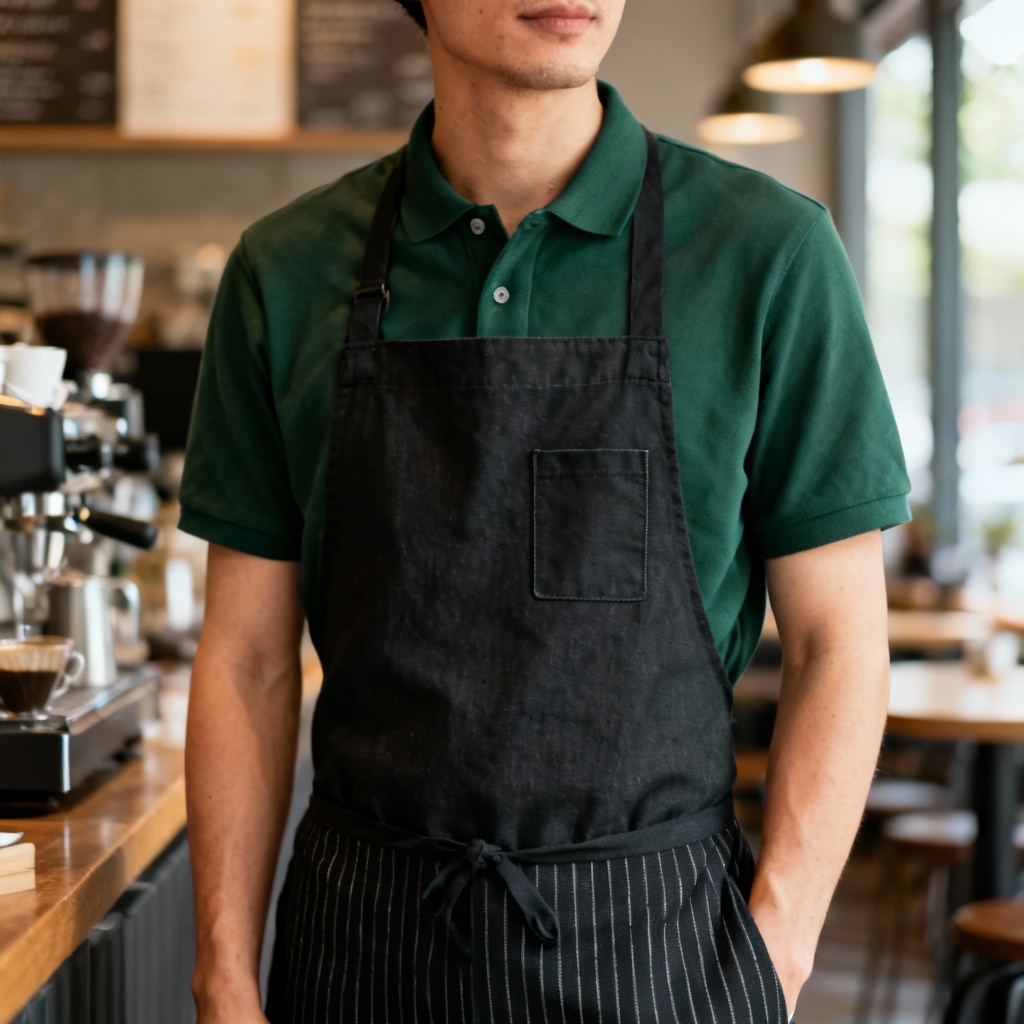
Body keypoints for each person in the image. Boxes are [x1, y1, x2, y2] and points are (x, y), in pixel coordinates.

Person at [180, 1, 911, 1022]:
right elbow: (246, 658)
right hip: (362, 944)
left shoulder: (766, 253)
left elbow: (839, 640)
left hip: (663, 949)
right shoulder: (287, 270)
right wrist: (222, 977)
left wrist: (775, 953)